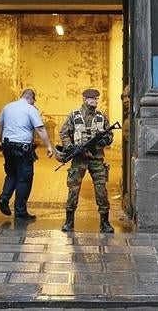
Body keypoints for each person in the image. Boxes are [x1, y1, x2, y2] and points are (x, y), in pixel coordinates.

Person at [58, 88, 115, 233]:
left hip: (97, 158)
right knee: (73, 189)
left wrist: (105, 141)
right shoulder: (74, 115)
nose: (95, 101)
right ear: (84, 99)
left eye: (97, 98)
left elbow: (110, 135)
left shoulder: (102, 116)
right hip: (79, 159)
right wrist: (70, 147)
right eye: (92, 98)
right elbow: (64, 133)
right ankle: (69, 221)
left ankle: (105, 222)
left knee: (101, 189)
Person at [0, 89, 53, 220]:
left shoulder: (7, 107)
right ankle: (20, 212)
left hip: (7, 146)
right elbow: (39, 128)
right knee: (24, 179)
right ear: (31, 98)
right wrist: (49, 146)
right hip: (22, 149)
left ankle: (4, 198)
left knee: (11, 174)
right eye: (34, 100)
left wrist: (2, 141)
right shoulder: (30, 109)